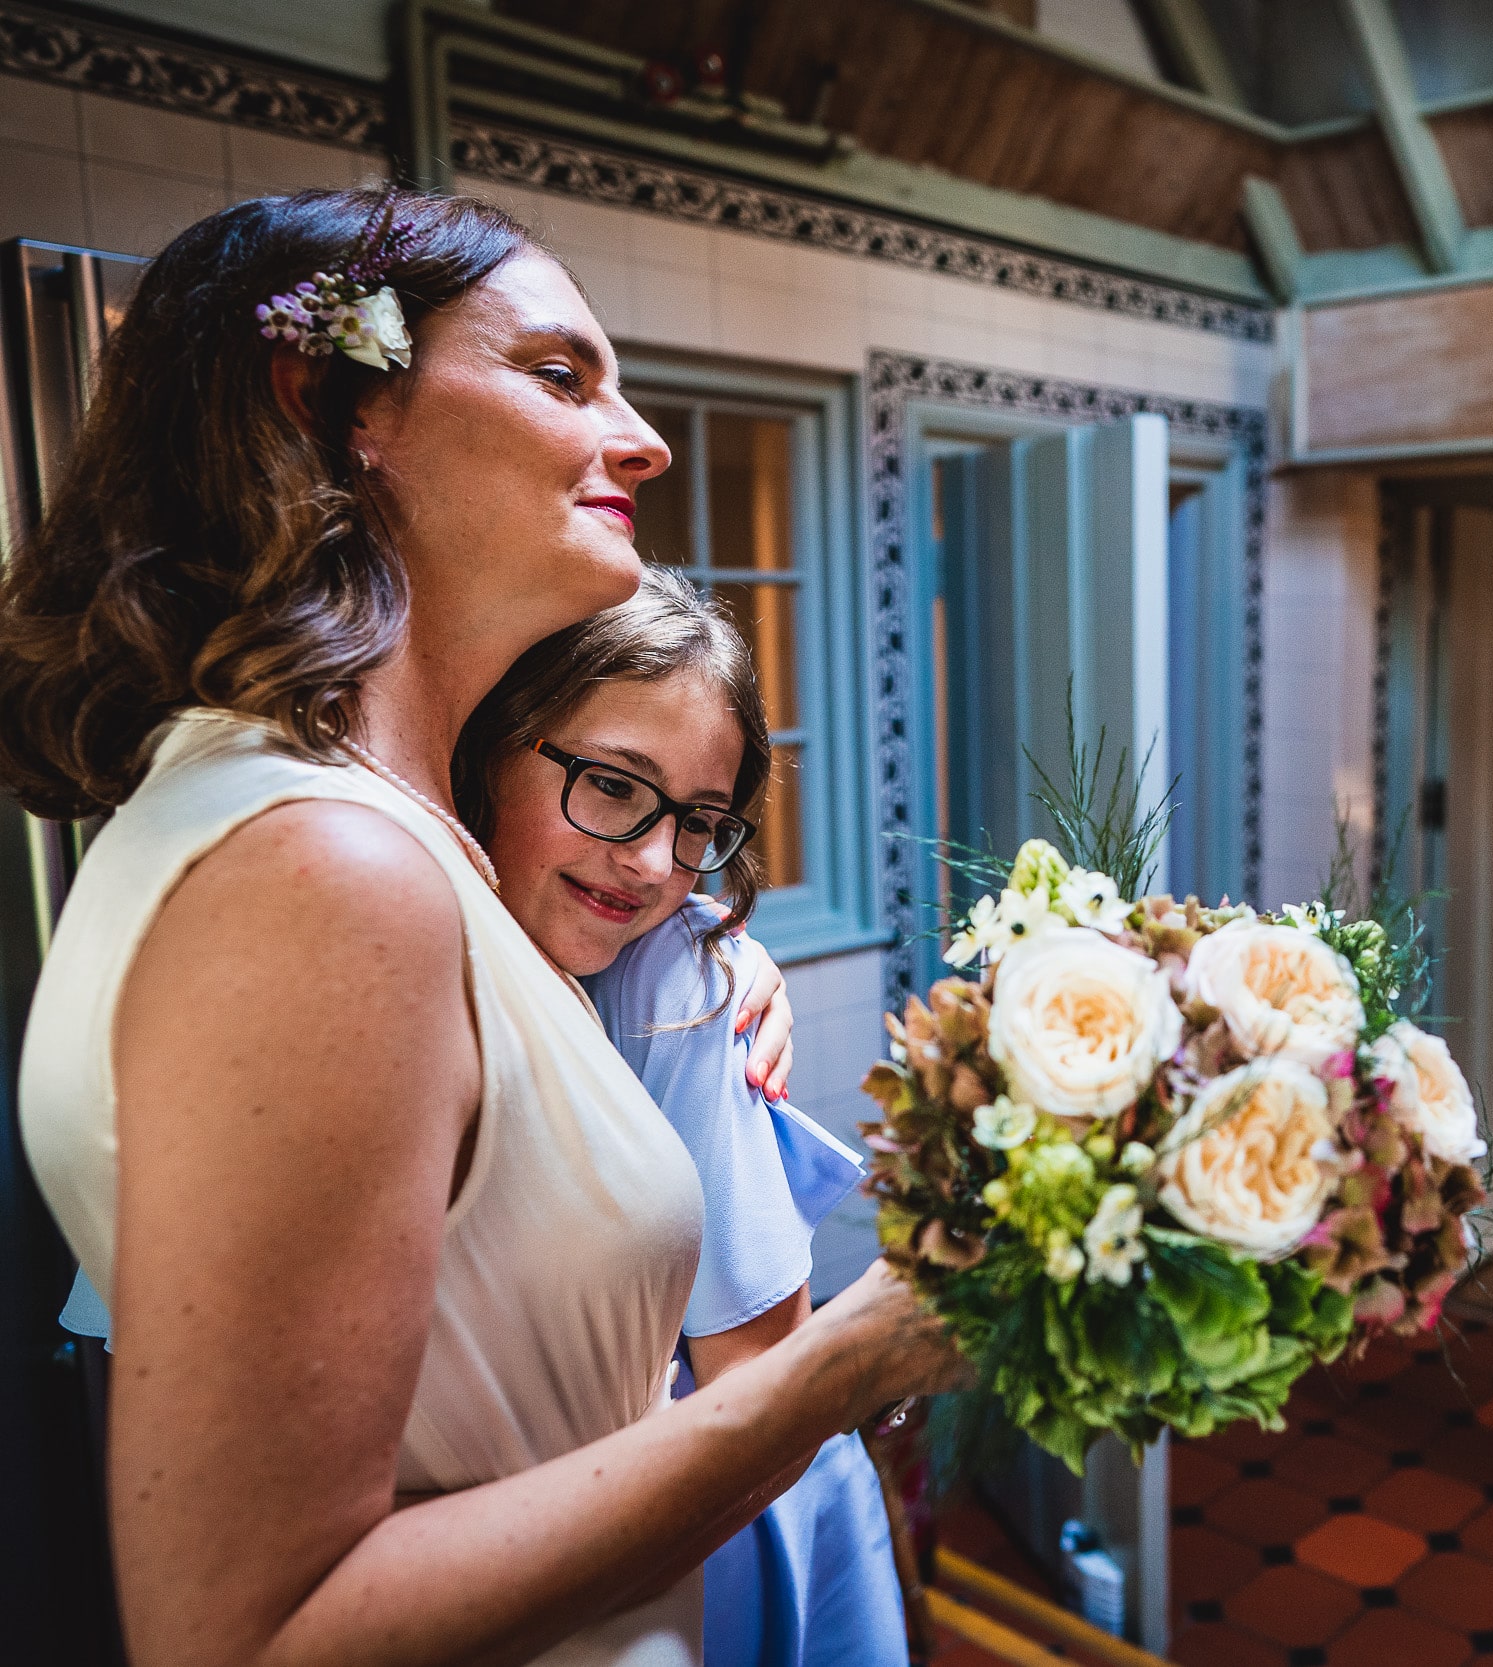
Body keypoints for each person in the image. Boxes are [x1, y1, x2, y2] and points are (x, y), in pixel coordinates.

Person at [0, 187, 959, 1667]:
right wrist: (850, 1357)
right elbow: (258, 1630)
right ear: (334, 401)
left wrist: (696, 943)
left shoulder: (372, 835)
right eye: (562, 375)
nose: (638, 438)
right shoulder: (320, 869)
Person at [453, 566, 909, 1666]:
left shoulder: (677, 979)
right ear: (485, 743)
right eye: (612, 784)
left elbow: (762, 1373)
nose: (654, 862)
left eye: (700, 820)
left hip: (722, 1536)